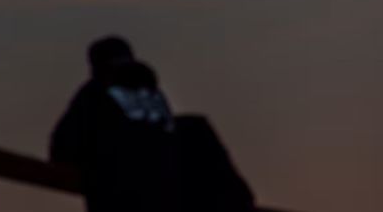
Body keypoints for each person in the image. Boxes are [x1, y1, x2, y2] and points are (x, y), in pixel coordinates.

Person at [50, 36, 255, 212]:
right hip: (171, 191)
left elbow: (61, 148)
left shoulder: (93, 94)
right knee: (194, 126)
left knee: (192, 127)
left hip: (128, 195)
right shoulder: (154, 95)